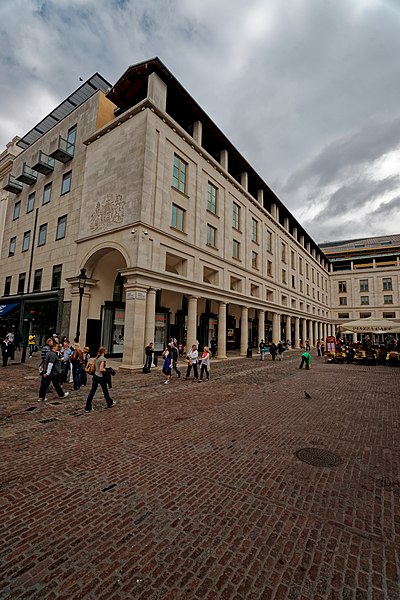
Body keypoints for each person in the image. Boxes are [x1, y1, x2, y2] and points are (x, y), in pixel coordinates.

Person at [85, 346, 116, 412]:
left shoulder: (97, 358)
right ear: (104, 351)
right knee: (105, 391)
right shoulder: (103, 359)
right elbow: (101, 369)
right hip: (100, 377)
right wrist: (107, 370)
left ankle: (88, 406)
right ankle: (110, 403)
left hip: (95, 376)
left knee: (92, 392)